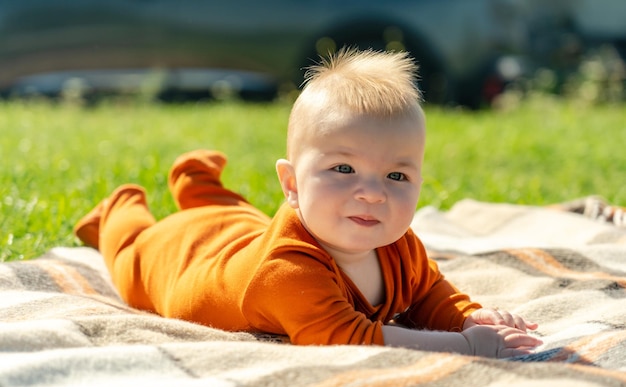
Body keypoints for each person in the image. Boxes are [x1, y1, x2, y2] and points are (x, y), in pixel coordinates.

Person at [75, 48, 542, 358]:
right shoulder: (288, 272)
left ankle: (199, 186)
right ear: (292, 184)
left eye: (396, 175)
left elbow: (427, 292)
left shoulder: (397, 242)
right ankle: (119, 208)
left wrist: (467, 316)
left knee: (236, 217)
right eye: (344, 169)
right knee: (136, 251)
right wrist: (464, 346)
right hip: (183, 258)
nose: (373, 192)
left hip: (243, 233)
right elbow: (345, 337)